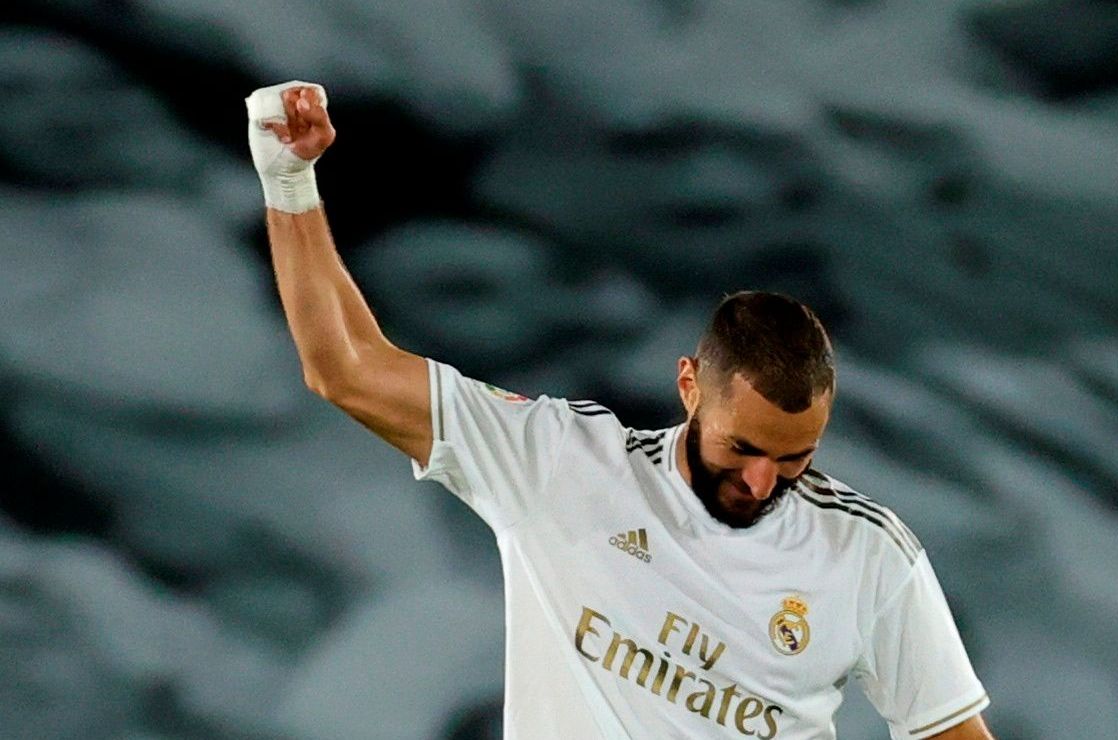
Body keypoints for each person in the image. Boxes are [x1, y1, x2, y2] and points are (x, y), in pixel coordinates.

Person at [245, 80, 994, 740]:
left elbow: (951, 727)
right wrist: (288, 181)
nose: (762, 482)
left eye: (795, 458)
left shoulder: (869, 546)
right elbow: (344, 368)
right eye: (741, 449)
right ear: (690, 388)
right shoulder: (549, 461)